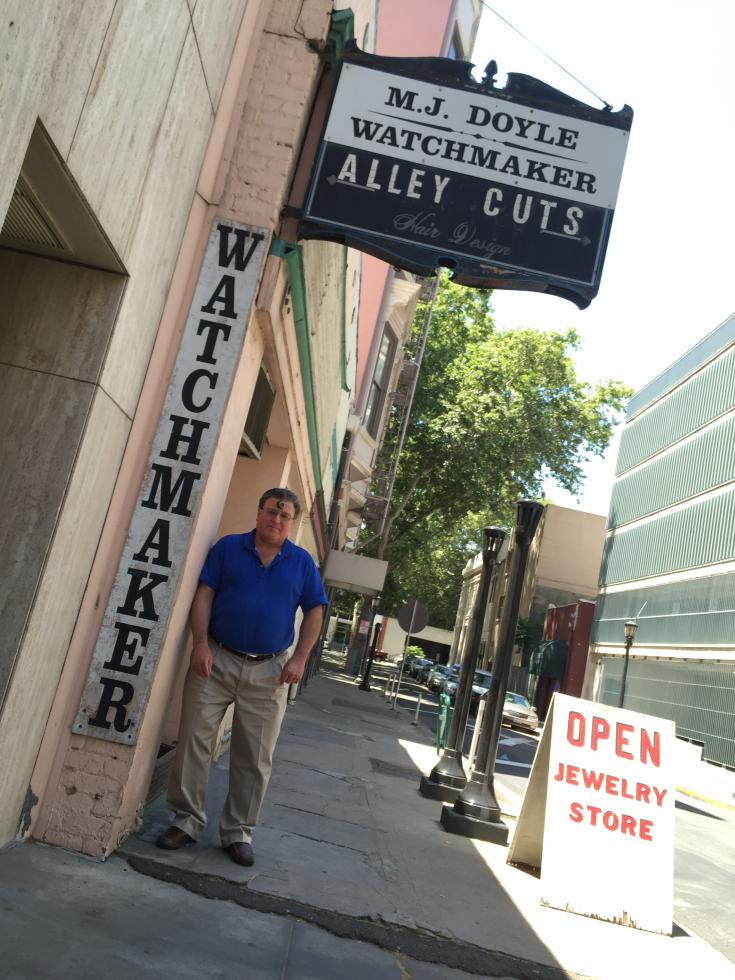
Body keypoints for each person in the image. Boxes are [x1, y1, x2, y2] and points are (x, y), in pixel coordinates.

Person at [156, 487, 327, 866]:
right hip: (215, 659)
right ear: (259, 512)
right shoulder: (228, 548)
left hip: (270, 671)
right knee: (193, 743)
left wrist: (300, 657)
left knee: (255, 756)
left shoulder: (302, 564)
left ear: (293, 522)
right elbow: (204, 595)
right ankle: (185, 821)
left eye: (284, 516)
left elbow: (315, 610)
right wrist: (200, 644)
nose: (276, 520)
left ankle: (238, 833)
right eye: (270, 512)